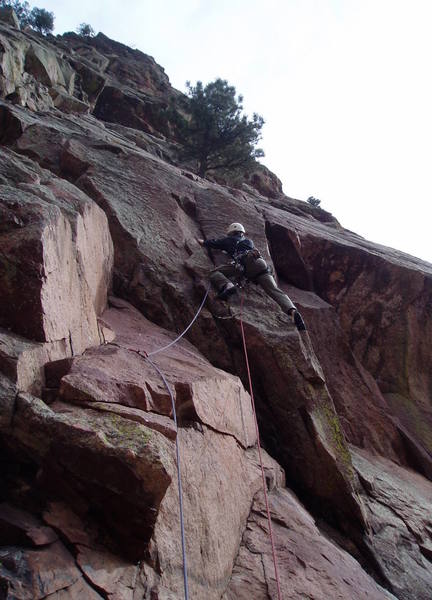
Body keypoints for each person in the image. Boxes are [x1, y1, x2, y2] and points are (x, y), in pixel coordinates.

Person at [198, 222, 306, 331]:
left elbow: (213, 243)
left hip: (244, 264)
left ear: (231, 233)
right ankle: (292, 311)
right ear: (242, 233)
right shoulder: (249, 241)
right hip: (261, 265)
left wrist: (201, 241)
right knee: (275, 290)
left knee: (214, 273)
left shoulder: (228, 240)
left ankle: (228, 285)